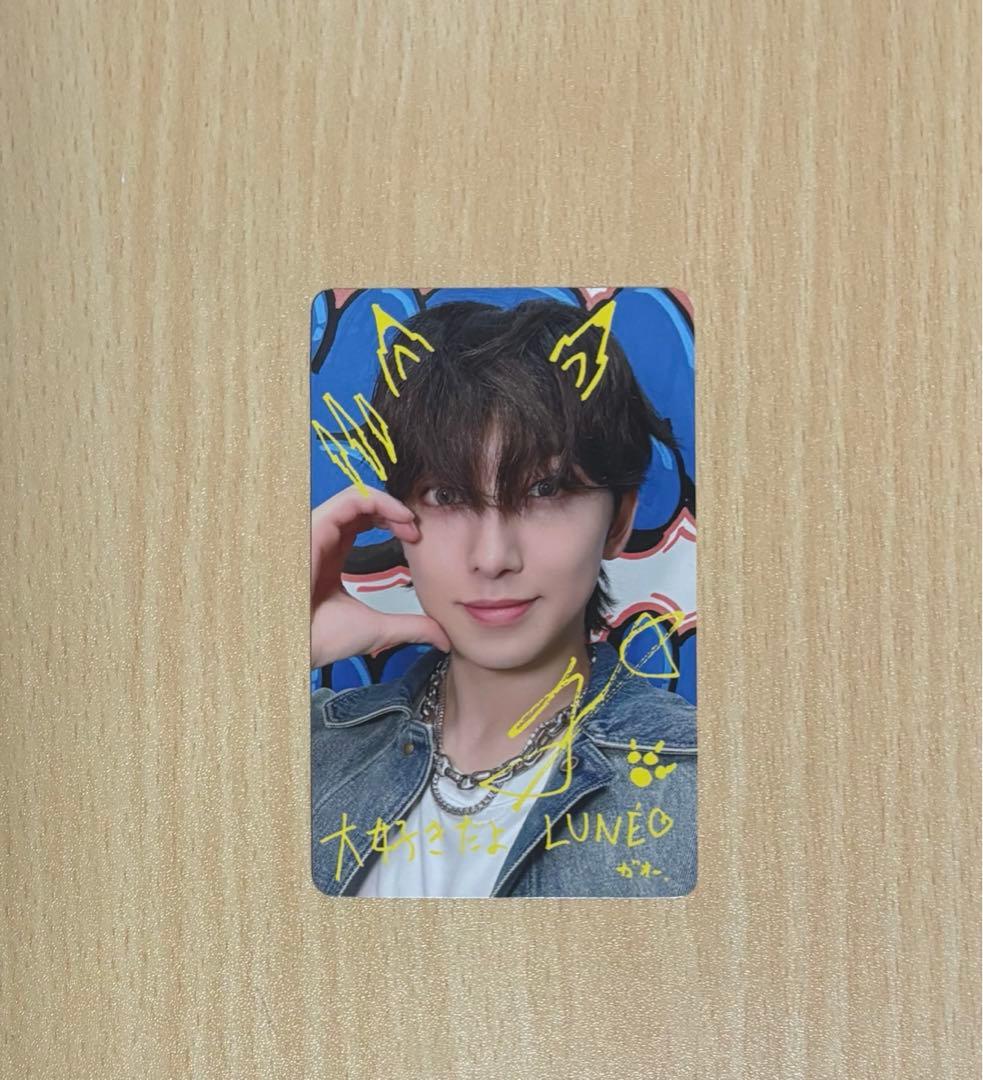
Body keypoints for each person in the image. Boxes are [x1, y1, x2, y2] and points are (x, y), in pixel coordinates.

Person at [310, 298, 696, 898]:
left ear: (619, 521)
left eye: (545, 490)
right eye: (445, 495)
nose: (492, 557)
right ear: (390, 516)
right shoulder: (311, 747)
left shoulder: (699, 784)